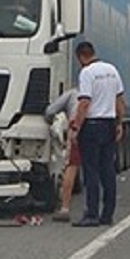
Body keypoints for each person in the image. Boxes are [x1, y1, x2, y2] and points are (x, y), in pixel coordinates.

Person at [69, 41, 125, 227]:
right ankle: (107, 214)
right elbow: (119, 100)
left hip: (92, 125)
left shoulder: (87, 73)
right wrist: (119, 123)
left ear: (81, 57)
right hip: (109, 123)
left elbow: (85, 102)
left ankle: (91, 213)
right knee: (107, 170)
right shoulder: (112, 70)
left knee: (91, 171)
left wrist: (76, 127)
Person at [44, 86, 81, 222]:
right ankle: (100, 210)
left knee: (71, 166)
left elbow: (50, 111)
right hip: (100, 128)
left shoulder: (73, 94)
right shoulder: (101, 92)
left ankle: (65, 208)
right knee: (96, 169)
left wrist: (49, 120)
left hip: (77, 128)